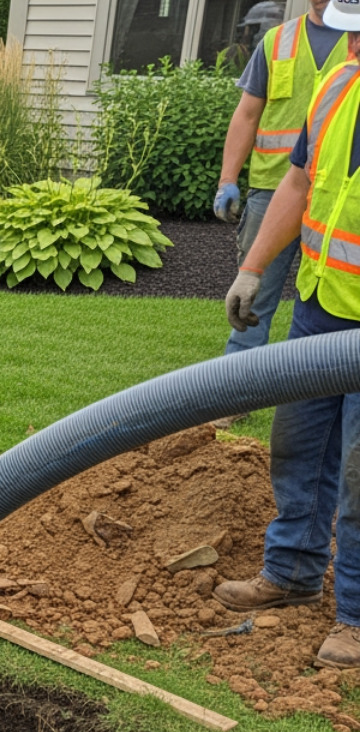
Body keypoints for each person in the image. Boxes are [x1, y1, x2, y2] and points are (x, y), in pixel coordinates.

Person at [221, 0, 360, 668]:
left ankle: (358, 617)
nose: (352, 41)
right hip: (321, 306)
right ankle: (293, 573)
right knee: (297, 447)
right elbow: (300, 180)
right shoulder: (339, 81)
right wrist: (252, 268)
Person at [214, 0, 348, 365]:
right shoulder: (276, 41)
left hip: (332, 195)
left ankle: (313, 386)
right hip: (272, 190)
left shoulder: (355, 39)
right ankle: (234, 390)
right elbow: (247, 113)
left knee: (325, 300)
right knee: (251, 296)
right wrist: (228, 179)